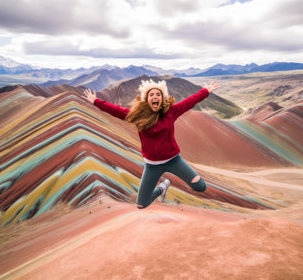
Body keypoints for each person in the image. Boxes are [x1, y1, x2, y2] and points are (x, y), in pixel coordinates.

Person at [82, 79, 220, 209]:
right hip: (152, 167)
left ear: (162, 98)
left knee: (201, 186)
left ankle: (171, 183)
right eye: (151, 94)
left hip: (174, 161)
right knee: (142, 204)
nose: (155, 96)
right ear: (147, 99)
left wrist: (206, 91)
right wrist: (96, 101)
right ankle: (162, 188)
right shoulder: (137, 116)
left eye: (158, 94)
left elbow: (190, 102)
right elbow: (115, 110)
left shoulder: (171, 112)